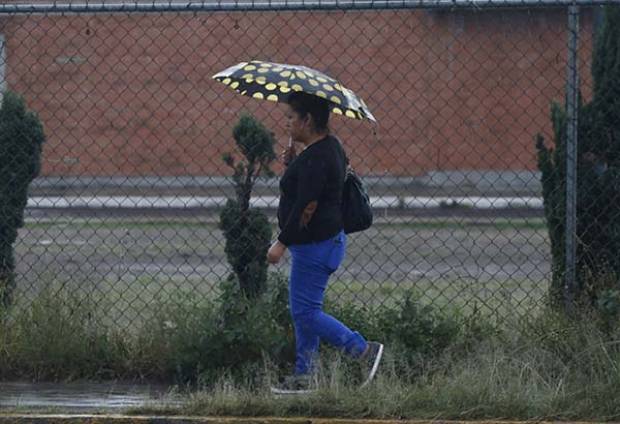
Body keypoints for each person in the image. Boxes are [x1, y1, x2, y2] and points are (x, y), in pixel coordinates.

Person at [267, 91, 383, 394]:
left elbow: (306, 205)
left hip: (315, 246)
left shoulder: (317, 158)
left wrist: (281, 243)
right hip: (323, 244)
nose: (287, 124)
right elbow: (308, 185)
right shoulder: (328, 148)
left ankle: (362, 350)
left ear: (307, 119)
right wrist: (295, 162)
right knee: (305, 310)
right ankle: (305, 374)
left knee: (305, 313)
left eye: (291, 118)